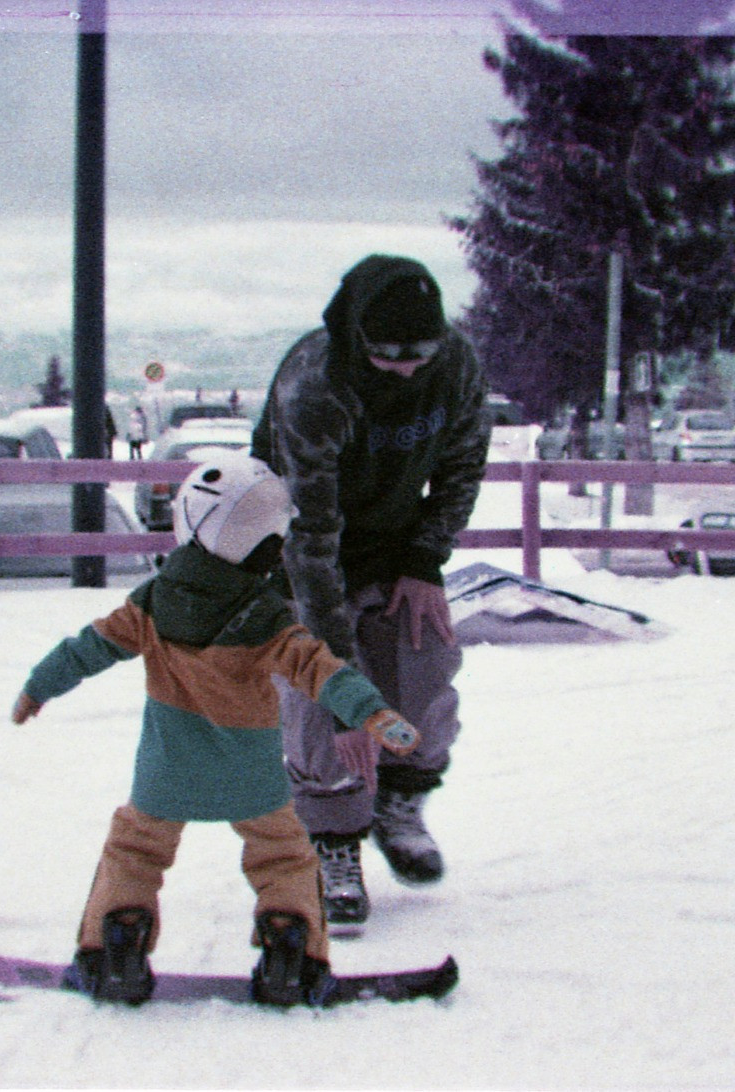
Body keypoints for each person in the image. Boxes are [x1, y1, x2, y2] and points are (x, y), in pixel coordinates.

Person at [10, 450, 421, 1005]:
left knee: (135, 850)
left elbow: (90, 648)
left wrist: (40, 685)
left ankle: (117, 945)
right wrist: (372, 711)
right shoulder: (269, 618)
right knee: (284, 856)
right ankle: (291, 951)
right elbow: (320, 669)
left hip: (166, 772)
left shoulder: (151, 604)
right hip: (249, 775)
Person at [251, 254, 490, 925]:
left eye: (422, 351)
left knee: (426, 661)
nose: (408, 368)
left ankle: (396, 801)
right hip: (300, 549)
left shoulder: (457, 367)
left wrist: (424, 559)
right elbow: (309, 532)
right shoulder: (314, 388)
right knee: (319, 701)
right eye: (389, 355)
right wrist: (340, 679)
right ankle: (331, 839)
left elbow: (463, 463)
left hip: (393, 543)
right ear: (357, 337)